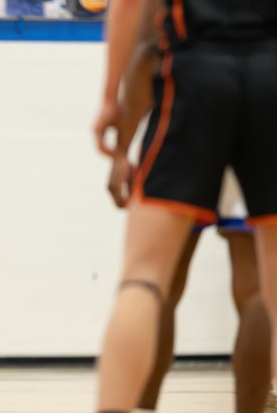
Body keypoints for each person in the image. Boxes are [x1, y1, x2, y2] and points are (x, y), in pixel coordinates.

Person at [93, 0, 277, 412]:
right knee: (263, 293)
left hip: (194, 86)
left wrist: (117, 119)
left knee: (148, 282)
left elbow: (140, 36)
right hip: (270, 85)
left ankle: (137, 407)